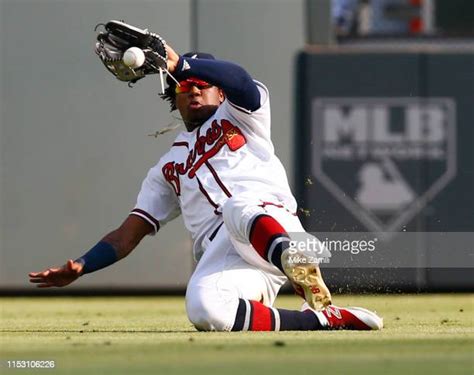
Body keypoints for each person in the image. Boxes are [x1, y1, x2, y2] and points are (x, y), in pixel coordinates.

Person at [29, 43, 383, 332]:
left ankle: (293, 255)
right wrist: (81, 265)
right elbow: (127, 235)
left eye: (202, 82)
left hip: (270, 224)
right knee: (203, 309)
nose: (194, 87)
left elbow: (241, 80)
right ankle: (322, 320)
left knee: (236, 207)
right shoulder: (166, 168)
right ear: (175, 97)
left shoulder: (242, 115)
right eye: (185, 85)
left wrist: (181, 64)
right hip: (231, 256)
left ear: (219, 91)